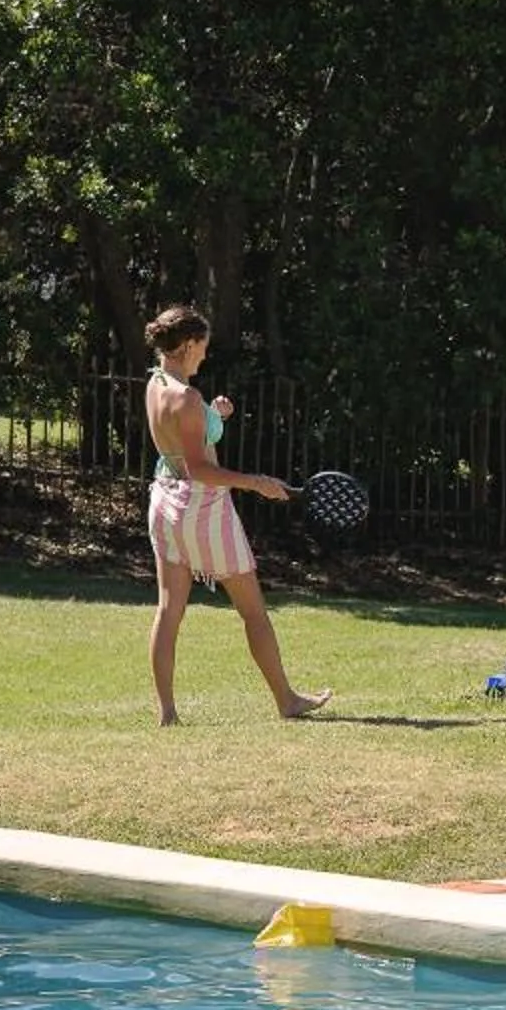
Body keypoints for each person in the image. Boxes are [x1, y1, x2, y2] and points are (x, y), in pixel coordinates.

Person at [141, 305, 331, 726]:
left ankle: (167, 713)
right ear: (188, 344)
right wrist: (256, 481)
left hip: (165, 501)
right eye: (203, 348)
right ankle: (287, 700)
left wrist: (216, 415)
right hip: (201, 507)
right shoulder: (186, 398)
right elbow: (200, 468)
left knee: (169, 609)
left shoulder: (157, 384)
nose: (205, 356)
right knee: (253, 611)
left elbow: (183, 439)